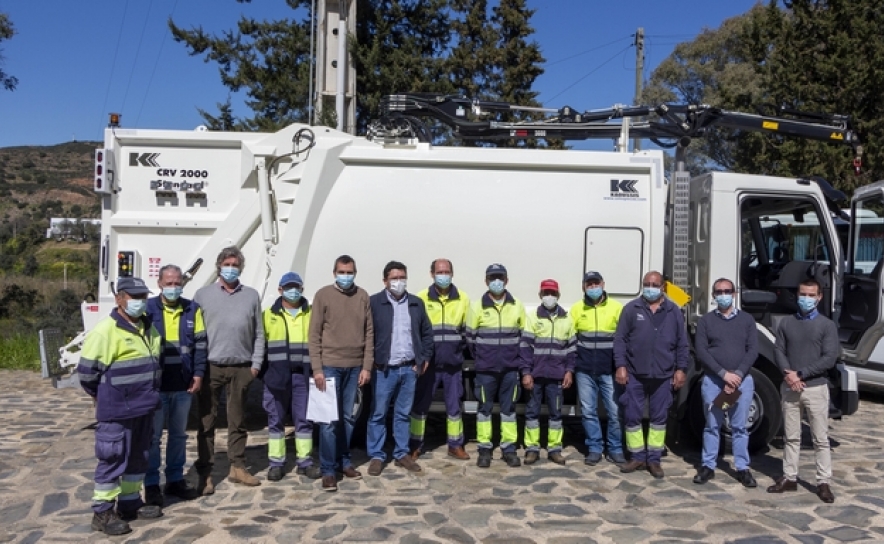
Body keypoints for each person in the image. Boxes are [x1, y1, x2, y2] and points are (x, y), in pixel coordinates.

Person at [77, 276, 162, 536]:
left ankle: (130, 503)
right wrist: (106, 395)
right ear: (119, 299)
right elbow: (87, 374)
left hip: (143, 408)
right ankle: (102, 512)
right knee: (112, 459)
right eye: (133, 297)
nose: (139, 302)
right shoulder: (105, 331)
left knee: (139, 458)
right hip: (116, 410)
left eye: (142, 297)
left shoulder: (150, 328)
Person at [193, 246, 265, 493]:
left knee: (238, 420)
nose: (231, 268)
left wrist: (255, 366)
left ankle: (238, 467)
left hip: (241, 368)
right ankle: (206, 473)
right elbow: (196, 334)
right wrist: (198, 368)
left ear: (241, 268)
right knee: (206, 421)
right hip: (211, 367)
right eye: (227, 264)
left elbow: (259, 333)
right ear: (219, 266)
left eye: (235, 265)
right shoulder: (202, 295)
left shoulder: (252, 296)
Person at [767, 278, 839, 503]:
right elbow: (779, 350)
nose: (806, 299)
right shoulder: (786, 323)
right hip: (790, 388)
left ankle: (823, 482)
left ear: (819, 297)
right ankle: (790, 477)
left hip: (815, 388)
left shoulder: (827, 326)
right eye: (802, 294)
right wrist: (789, 374)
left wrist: (800, 374)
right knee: (791, 436)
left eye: (811, 295)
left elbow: (829, 358)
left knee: (820, 438)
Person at [309, 254, 374, 492]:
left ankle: (344, 462)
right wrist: (317, 368)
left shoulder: (363, 296)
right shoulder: (322, 295)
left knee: (348, 419)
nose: (346, 276)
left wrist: (366, 366)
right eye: (341, 272)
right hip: (329, 366)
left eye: (350, 272)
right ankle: (328, 470)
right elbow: (314, 334)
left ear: (355, 273)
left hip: (355, 367)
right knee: (328, 422)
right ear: (334, 272)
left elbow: (369, 334)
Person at [615, 270, 689, 479]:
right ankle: (637, 456)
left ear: (663, 286)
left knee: (659, 419)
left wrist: (681, 369)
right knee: (632, 416)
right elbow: (620, 339)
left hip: (664, 375)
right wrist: (620, 365)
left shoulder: (674, 311)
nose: (650, 287)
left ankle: (654, 460)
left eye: (654, 284)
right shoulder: (631, 309)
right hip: (635, 374)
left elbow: (682, 344)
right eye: (647, 283)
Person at [144, 265, 206, 508]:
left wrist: (198, 374)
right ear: (159, 283)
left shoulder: (192, 309)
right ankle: (151, 485)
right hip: (156, 386)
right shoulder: (148, 309)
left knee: (179, 435)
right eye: (168, 283)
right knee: (153, 438)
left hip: (183, 385)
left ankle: (175, 480)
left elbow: (201, 345)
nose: (173, 287)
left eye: (177, 282)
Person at [367, 261, 434, 476]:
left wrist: (423, 357)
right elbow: (366, 334)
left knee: (403, 414)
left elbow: (426, 333)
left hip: (408, 369)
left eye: (402, 277)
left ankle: (401, 453)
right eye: (394, 278)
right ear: (385, 281)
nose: (399, 282)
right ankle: (377, 455)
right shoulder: (374, 303)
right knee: (378, 413)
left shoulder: (415, 303)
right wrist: (371, 360)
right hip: (384, 369)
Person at [692, 278, 758, 487]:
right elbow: (702, 352)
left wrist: (737, 375)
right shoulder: (706, 321)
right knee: (712, 426)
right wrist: (723, 375)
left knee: (740, 428)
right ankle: (708, 466)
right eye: (719, 292)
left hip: (742, 383)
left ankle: (742, 468)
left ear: (734, 293)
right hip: (714, 382)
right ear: (713, 295)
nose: (723, 295)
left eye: (727, 291)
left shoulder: (747, 320)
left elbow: (752, 350)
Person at [466, 263, 527, 468]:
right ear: (486, 281)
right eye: (492, 278)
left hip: (510, 369)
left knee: (509, 410)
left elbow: (523, 336)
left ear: (507, 280)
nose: (496, 281)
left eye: (500, 277)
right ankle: (484, 449)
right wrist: (484, 358)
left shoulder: (516, 304)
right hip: (486, 370)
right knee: (484, 410)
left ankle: (509, 449)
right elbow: (470, 338)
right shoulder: (476, 306)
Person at [261, 272, 321, 482]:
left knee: (304, 421)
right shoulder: (268, 315)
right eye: (288, 287)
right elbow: (260, 346)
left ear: (302, 290)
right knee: (275, 420)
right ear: (280, 290)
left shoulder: (312, 313)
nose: (293, 291)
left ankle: (305, 462)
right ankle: (276, 463)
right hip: (277, 377)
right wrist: (264, 374)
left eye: (296, 287)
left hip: (303, 377)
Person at [410, 258, 471, 461]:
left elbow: (466, 332)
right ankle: (415, 445)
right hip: (429, 365)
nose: (443, 275)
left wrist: (457, 352)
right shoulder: (421, 299)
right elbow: (415, 332)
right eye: (439, 272)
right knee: (420, 406)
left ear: (452, 274)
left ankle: (455, 445)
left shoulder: (463, 298)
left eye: (446, 272)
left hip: (452, 365)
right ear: (432, 274)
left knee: (454, 407)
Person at [569, 271, 626, 466]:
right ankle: (594, 448)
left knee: (615, 412)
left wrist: (621, 366)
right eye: (589, 284)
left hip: (609, 370)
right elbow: (571, 339)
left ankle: (615, 449)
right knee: (588, 412)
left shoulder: (617, 308)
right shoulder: (577, 309)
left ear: (603, 283)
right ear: (583, 287)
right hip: (584, 370)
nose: (593, 287)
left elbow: (623, 340)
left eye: (596, 283)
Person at [520, 279, 576, 465]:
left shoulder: (567, 319)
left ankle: (554, 449)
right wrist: (526, 372)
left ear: (558, 296)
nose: (549, 297)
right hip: (535, 376)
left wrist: (569, 371)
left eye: (552, 293)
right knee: (532, 412)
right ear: (540, 295)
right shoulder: (532, 316)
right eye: (545, 293)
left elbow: (571, 350)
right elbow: (526, 347)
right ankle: (532, 448)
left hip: (557, 376)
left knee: (555, 413)